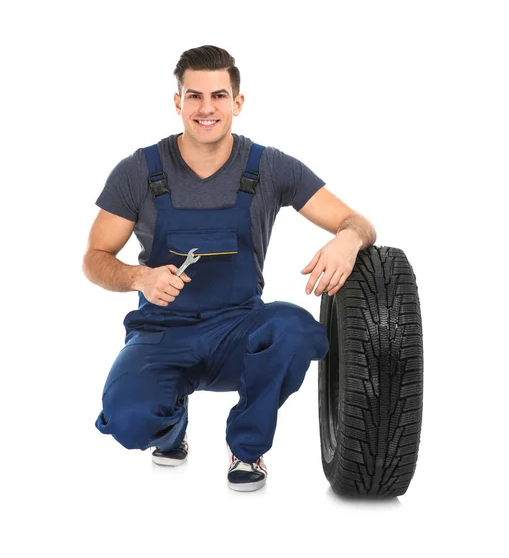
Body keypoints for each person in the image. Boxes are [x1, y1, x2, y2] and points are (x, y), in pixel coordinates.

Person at [82, 45, 376, 492]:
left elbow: (357, 221)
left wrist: (347, 240)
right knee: (130, 421)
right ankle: (170, 423)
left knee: (295, 330)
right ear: (177, 102)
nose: (206, 108)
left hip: (239, 329)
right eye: (194, 96)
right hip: (161, 332)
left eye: (218, 96)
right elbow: (94, 259)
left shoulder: (269, 167)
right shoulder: (139, 171)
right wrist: (141, 277)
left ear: (237, 103)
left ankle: (246, 447)